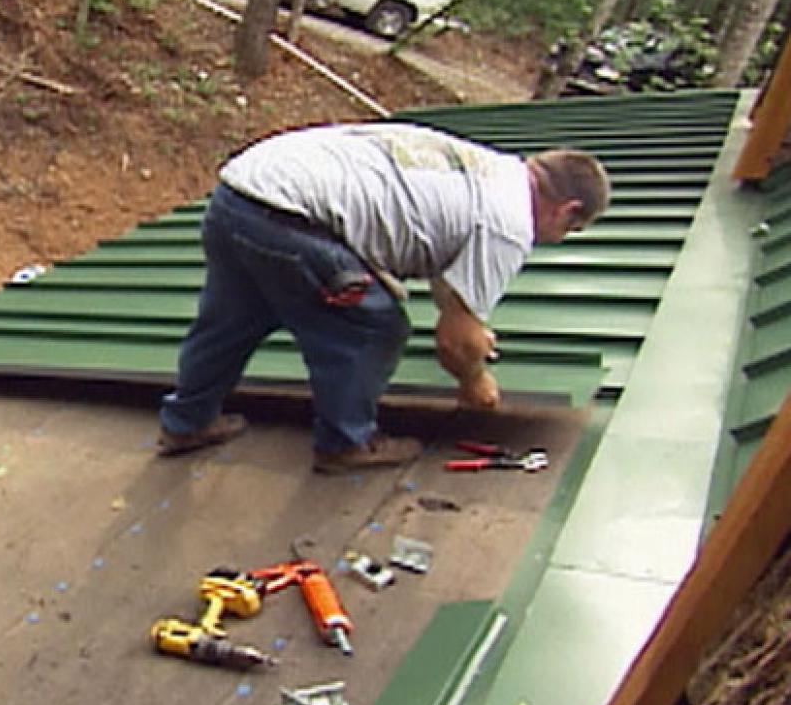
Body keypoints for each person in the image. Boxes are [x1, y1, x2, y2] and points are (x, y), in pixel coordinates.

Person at [156, 122, 610, 474]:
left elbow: (448, 283)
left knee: (233, 318)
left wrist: (465, 314)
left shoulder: (491, 171)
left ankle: (187, 423)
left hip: (238, 194)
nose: (558, 239)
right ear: (567, 209)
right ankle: (346, 444)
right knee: (374, 326)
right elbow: (455, 343)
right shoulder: (510, 222)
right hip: (288, 217)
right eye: (570, 229)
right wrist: (475, 380)